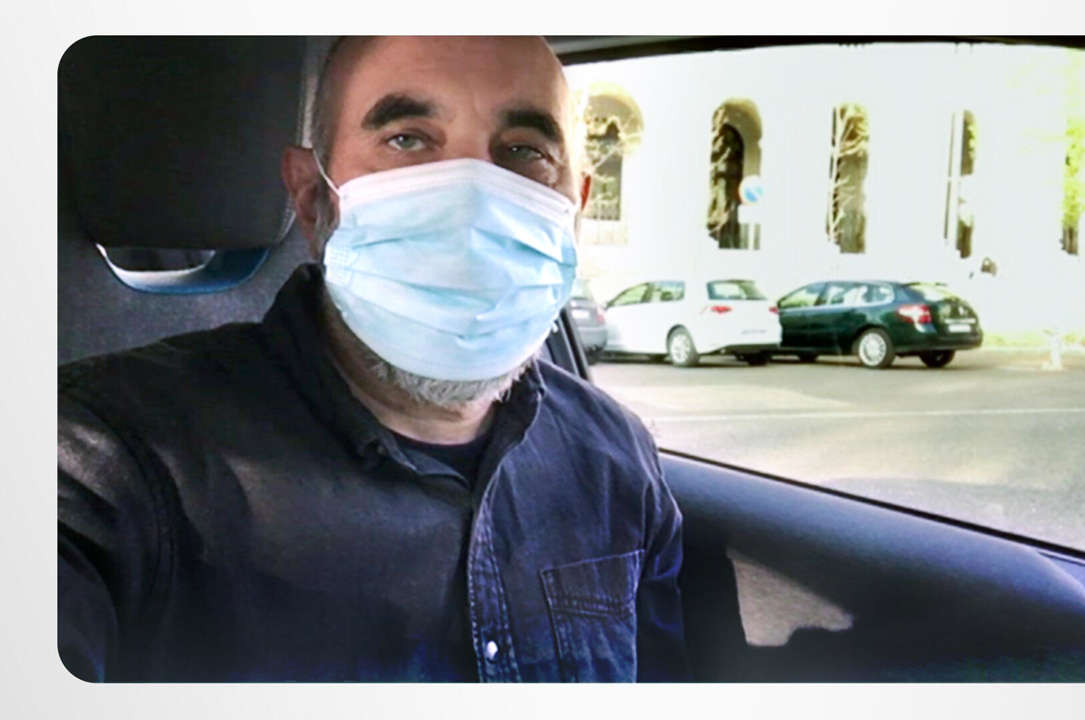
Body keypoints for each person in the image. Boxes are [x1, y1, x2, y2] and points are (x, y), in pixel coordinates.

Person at [57, 36, 688, 683]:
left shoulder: (616, 460)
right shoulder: (114, 457)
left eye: (525, 151)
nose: (474, 196)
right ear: (312, 198)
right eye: (407, 140)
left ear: (575, 206)